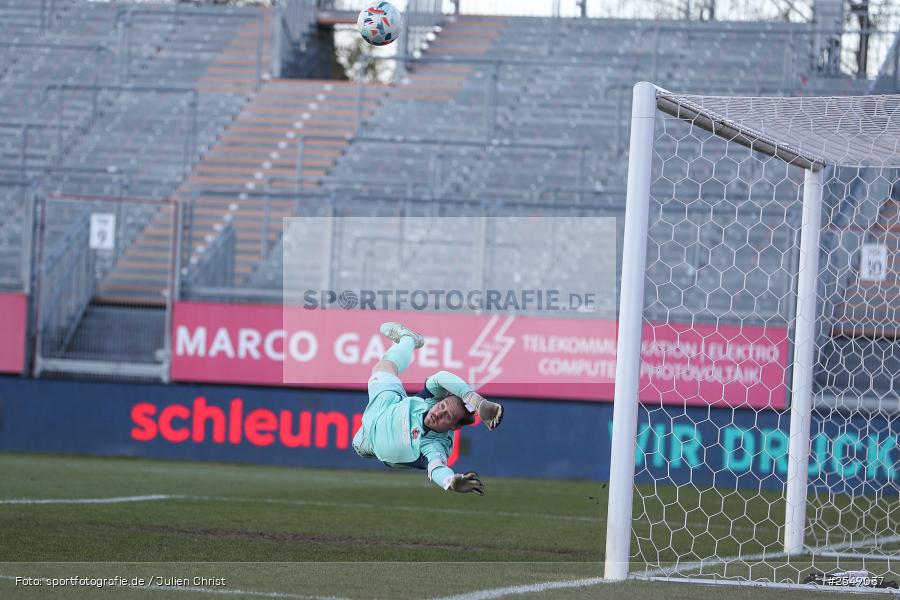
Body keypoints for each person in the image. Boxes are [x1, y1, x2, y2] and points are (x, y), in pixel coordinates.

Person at [351, 322, 504, 495]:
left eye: (447, 416)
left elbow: (437, 467)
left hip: (369, 444)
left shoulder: (436, 444)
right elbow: (441, 377)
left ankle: (406, 340)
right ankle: (408, 339)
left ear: (454, 427)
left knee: (357, 446)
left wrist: (450, 481)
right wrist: (475, 400)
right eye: (442, 406)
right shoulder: (429, 399)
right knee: (383, 367)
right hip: (387, 405)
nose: (439, 413)